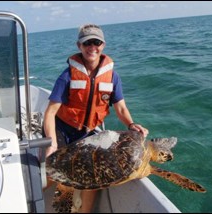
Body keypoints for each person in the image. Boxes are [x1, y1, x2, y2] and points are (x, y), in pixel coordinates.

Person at [43, 24, 149, 213]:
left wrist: (131, 124)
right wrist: (52, 144)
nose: (92, 47)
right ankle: (22, 200)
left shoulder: (112, 77)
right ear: (79, 46)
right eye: (87, 43)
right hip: (63, 130)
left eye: (96, 42)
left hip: (87, 133)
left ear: (103, 45)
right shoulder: (67, 76)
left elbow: (121, 108)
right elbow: (50, 112)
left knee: (94, 178)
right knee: (51, 173)